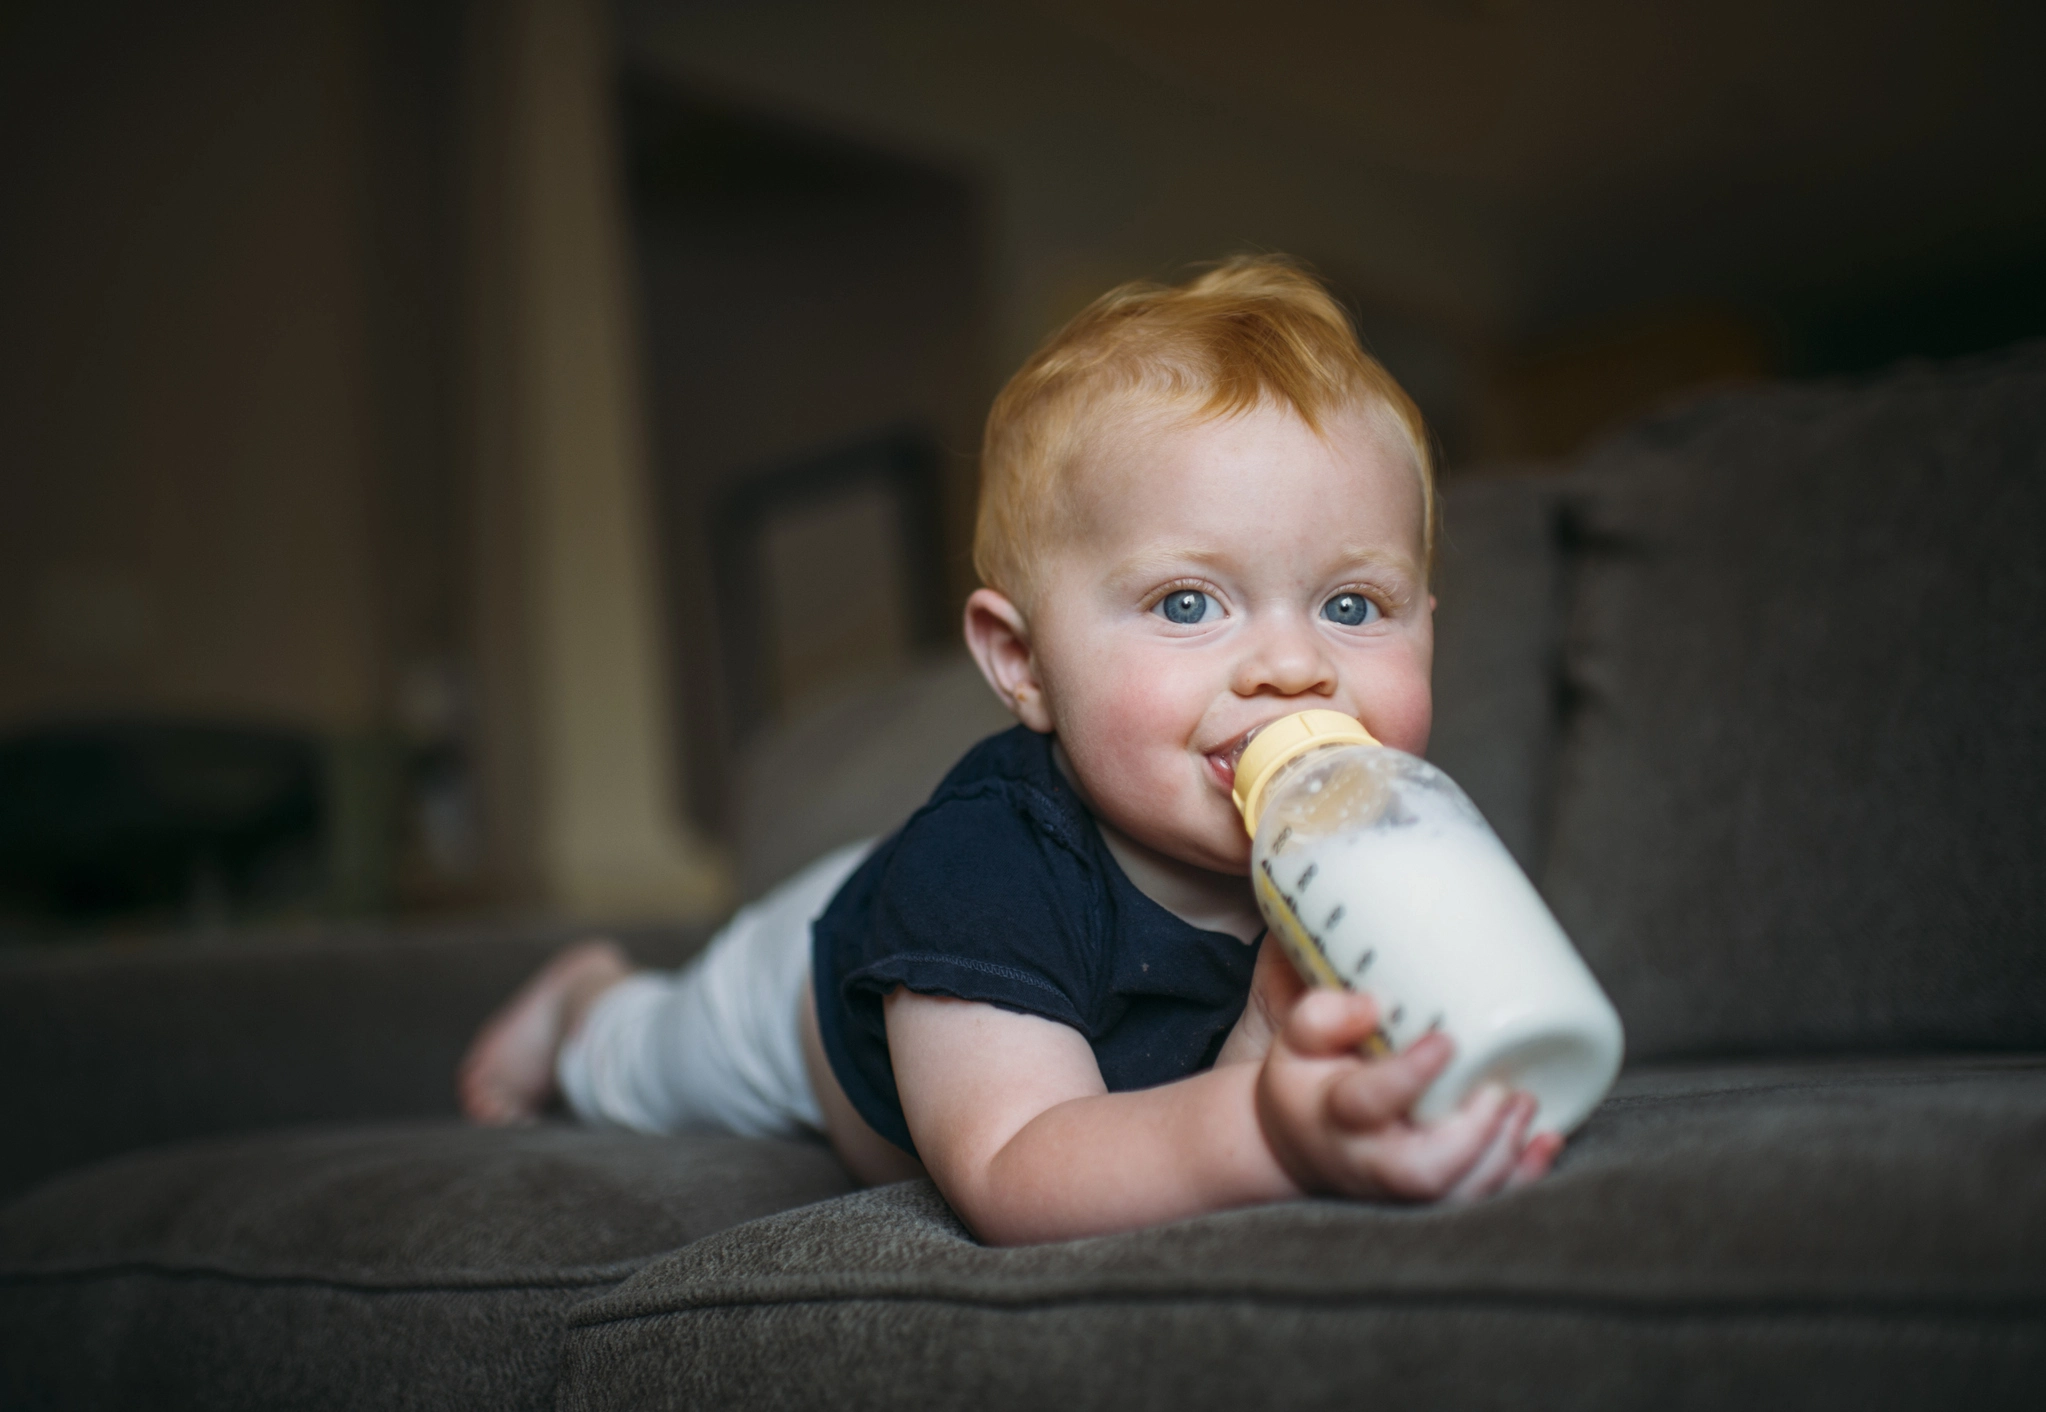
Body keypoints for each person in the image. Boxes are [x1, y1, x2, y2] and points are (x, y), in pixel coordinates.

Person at [459, 255, 1562, 1245]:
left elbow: (1213, 1104)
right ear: (1021, 661)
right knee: (642, 1066)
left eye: (1355, 605)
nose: (1292, 665)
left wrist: (1305, 1046)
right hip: (807, 976)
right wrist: (1268, 1129)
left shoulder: (1389, 840)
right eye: (1188, 601)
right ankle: (581, 1001)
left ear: (1429, 622)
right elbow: (1018, 1166)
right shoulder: (983, 867)